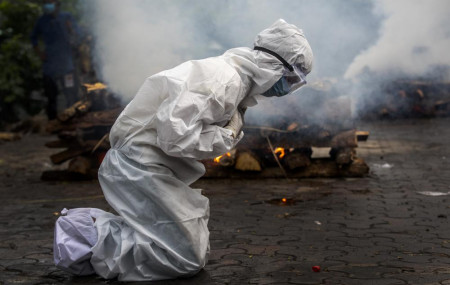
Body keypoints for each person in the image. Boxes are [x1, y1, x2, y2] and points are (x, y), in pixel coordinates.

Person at [53, 19, 313, 281]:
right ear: (275, 65)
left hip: (148, 166)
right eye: (291, 78)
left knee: (189, 248)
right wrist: (227, 135)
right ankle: (82, 233)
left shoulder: (235, 82)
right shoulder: (223, 81)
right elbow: (173, 138)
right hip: (138, 165)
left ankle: (93, 238)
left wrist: (226, 133)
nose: (289, 87)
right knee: (183, 258)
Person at [31, 0, 80, 120]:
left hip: (66, 63)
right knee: (51, 95)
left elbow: (79, 35)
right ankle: (52, 122)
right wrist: (40, 53)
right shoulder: (42, 21)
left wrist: (71, 30)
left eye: (50, 2)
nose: (48, 4)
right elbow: (33, 38)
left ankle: (73, 119)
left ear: (57, 4)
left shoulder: (66, 17)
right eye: (46, 2)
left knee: (71, 93)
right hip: (50, 65)